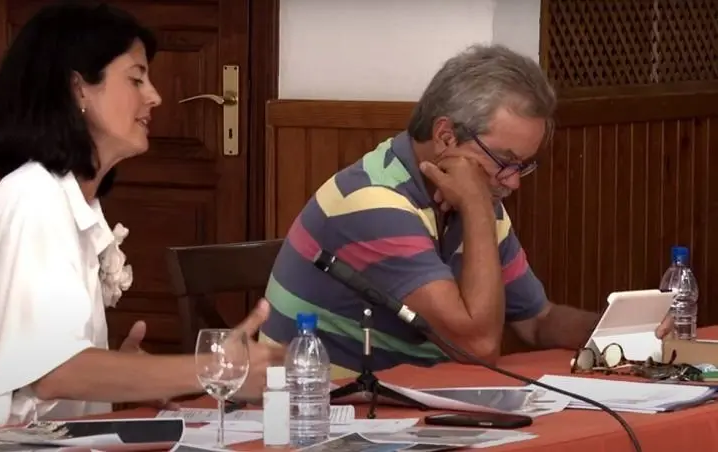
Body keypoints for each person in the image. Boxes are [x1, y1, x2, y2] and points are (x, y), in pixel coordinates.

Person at [0, 2, 283, 439]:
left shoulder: (71, 200)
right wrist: (216, 369)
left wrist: (123, 376)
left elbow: (51, 375)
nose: (154, 96)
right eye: (136, 78)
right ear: (79, 89)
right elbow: (54, 373)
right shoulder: (34, 198)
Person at [258, 44, 670, 379]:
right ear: (445, 137)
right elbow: (478, 347)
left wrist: (620, 332)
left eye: (524, 165)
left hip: (405, 405)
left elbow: (536, 320)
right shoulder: (374, 201)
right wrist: (475, 206)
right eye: (504, 161)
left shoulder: (475, 196)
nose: (513, 181)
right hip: (315, 412)